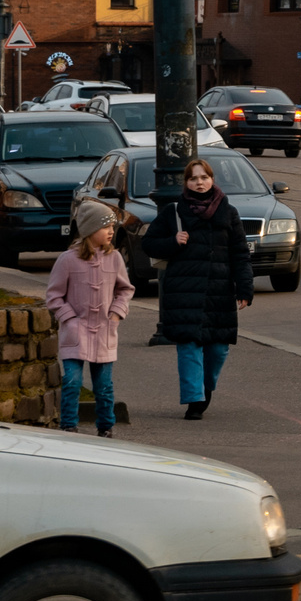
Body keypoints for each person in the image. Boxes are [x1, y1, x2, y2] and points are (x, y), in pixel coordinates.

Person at [144, 156, 252, 420]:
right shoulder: (173, 211)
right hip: (184, 290)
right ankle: (194, 400)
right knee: (189, 346)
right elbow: (148, 244)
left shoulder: (228, 212)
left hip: (219, 291)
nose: (199, 182)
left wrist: (244, 289)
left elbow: (240, 254)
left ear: (212, 179)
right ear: (186, 182)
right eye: (193, 178)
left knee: (218, 349)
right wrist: (172, 241)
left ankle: (206, 387)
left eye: (204, 177)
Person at [45, 197, 133, 437]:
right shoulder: (67, 260)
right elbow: (54, 296)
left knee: (103, 386)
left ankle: (105, 427)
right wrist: (70, 319)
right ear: (90, 230)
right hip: (75, 333)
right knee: (72, 382)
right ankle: (68, 426)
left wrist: (116, 314)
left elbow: (125, 290)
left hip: (104, 331)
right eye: (106, 227)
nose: (111, 231)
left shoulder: (114, 258)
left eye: (112, 227)